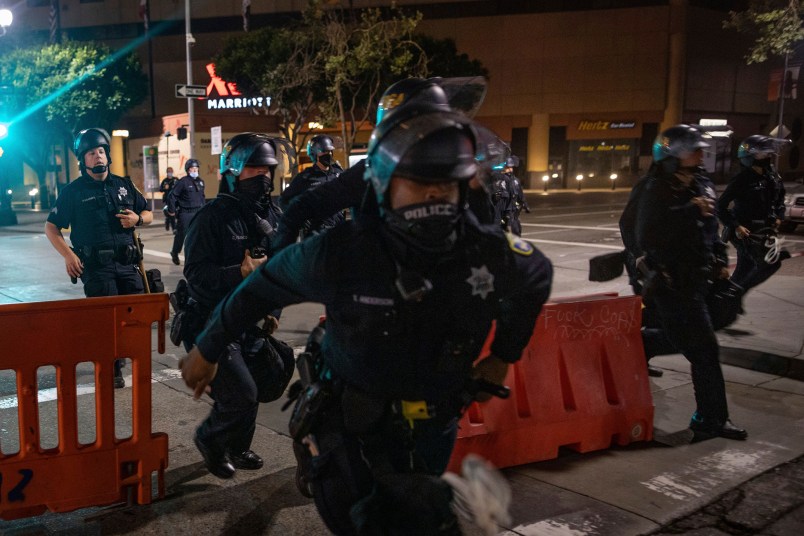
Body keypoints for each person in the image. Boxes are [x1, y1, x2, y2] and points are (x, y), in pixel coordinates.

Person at [180, 108, 553, 534]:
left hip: (437, 414)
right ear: (386, 185)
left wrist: (504, 354)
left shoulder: (488, 251)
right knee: (361, 518)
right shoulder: (344, 252)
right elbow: (263, 284)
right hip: (355, 417)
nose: (431, 196)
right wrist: (208, 348)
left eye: (443, 182)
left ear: (465, 185)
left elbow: (535, 277)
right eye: (417, 181)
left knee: (420, 506)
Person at [271, 76, 493, 253]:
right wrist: (284, 262)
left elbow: (487, 233)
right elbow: (299, 209)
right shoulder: (370, 171)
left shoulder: (459, 172)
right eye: (419, 128)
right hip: (382, 286)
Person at [179, 132, 292, 479]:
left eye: (268, 169)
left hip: (251, 322)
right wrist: (237, 273)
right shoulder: (212, 217)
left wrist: (272, 313)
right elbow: (195, 274)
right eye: (255, 169)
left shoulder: (274, 216)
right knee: (241, 394)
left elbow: (280, 271)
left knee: (260, 383)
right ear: (233, 170)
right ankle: (210, 438)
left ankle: (239, 447)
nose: (264, 177)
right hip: (211, 322)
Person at [637, 124, 747, 442]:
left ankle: (643, 344)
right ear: (673, 154)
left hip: (702, 278)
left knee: (690, 337)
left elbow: (710, 227)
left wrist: (720, 261)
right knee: (706, 351)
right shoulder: (655, 188)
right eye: (694, 150)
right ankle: (710, 419)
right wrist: (687, 211)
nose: (701, 154)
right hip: (674, 282)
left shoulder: (701, 182)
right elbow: (647, 234)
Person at [44, 128, 153, 388]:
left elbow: (148, 213)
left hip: (128, 264)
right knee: (106, 320)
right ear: (83, 160)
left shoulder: (124, 185)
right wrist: (68, 256)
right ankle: (112, 365)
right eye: (92, 153)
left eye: (102, 151)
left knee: (134, 317)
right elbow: (51, 226)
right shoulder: (73, 191)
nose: (98, 156)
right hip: (97, 268)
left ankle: (126, 357)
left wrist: (139, 219)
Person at [717, 135, 789, 295]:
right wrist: (736, 226)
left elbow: (780, 199)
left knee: (756, 266)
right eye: (764, 154)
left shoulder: (772, 177)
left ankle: (730, 294)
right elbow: (720, 206)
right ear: (750, 157)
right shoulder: (742, 179)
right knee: (755, 264)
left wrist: (779, 216)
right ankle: (730, 295)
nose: (768, 157)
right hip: (745, 231)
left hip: (764, 230)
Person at [279, 134, 345, 242]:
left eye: (330, 151)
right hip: (315, 237)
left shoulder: (338, 173)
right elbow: (283, 200)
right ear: (314, 154)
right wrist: (299, 218)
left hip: (338, 233)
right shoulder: (305, 177)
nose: (328, 154)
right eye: (324, 151)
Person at [167, 158, 206, 265]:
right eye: (193, 169)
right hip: (186, 213)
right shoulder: (183, 182)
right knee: (181, 234)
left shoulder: (201, 182)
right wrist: (172, 211)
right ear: (188, 170)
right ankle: (175, 252)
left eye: (196, 168)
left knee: (199, 236)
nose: (195, 171)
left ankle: (197, 257)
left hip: (198, 212)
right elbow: (172, 196)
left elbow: (202, 197)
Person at [506, 156, 530, 236]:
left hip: (513, 210)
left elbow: (520, 194)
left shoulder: (515, 181)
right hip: (503, 210)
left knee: (517, 229)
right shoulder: (498, 180)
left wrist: (525, 205)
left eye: (511, 167)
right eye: (507, 167)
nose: (510, 169)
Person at [159, 167, 177, 232]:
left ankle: (168, 221)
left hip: (176, 200)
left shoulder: (175, 180)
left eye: (171, 171)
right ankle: (174, 228)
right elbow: (160, 189)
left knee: (175, 214)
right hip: (168, 200)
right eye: (169, 171)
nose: (170, 173)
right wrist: (165, 188)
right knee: (171, 214)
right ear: (167, 172)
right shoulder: (165, 181)